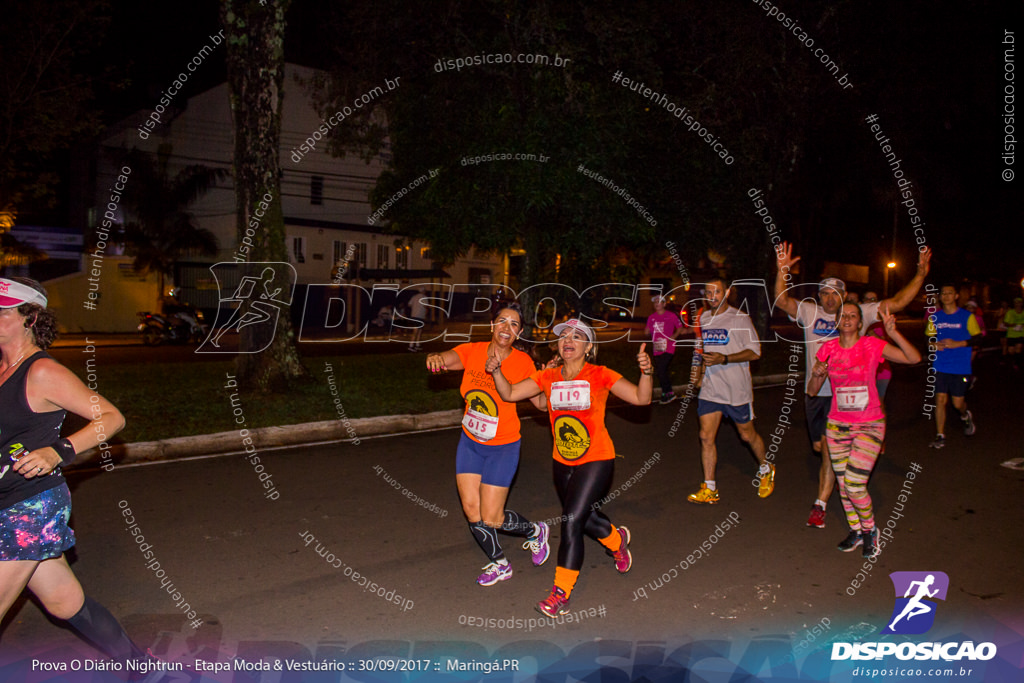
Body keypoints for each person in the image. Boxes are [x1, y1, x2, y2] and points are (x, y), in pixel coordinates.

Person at [0, 277, 147, 664]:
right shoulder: (2, 369)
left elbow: (112, 418)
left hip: (31, 507)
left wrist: (57, 450)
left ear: (30, 317)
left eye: (2, 311)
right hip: (7, 500)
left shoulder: (42, 372)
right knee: (65, 603)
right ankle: (141, 669)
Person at [487, 318, 652, 617]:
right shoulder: (548, 377)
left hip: (597, 459)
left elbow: (643, 398)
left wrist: (647, 372)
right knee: (584, 518)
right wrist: (496, 370)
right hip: (562, 462)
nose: (568, 340)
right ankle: (617, 541)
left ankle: (559, 594)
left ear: (588, 347)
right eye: (564, 336)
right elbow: (509, 394)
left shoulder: (600, 374)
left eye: (577, 337)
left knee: (571, 522)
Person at [774, 242, 931, 528]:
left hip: (844, 396)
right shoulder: (810, 312)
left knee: (825, 450)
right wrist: (782, 271)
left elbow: (896, 303)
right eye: (823, 292)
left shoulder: (857, 313)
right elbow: (782, 301)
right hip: (816, 389)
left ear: (844, 296)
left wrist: (920, 275)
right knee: (821, 447)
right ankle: (845, 480)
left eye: (834, 293)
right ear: (818, 295)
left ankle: (821, 503)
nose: (829, 298)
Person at [425, 303, 550, 586]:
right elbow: (446, 358)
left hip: (503, 447)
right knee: (472, 509)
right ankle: (500, 564)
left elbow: (541, 405)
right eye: (502, 321)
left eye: (514, 324)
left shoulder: (522, 363)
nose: (507, 328)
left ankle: (534, 531)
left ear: (518, 334)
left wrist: (549, 381)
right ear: (493, 325)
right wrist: (435, 356)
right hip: (470, 442)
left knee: (492, 518)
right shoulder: (473, 351)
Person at [808, 303, 922, 558]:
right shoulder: (827, 349)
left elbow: (913, 358)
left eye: (852, 316)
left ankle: (870, 530)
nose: (847, 319)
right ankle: (856, 531)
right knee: (842, 483)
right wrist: (817, 374)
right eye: (842, 316)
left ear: (860, 323)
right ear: (837, 322)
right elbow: (812, 390)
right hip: (837, 424)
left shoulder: (872, 345)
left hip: (869, 423)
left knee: (854, 483)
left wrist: (893, 334)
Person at [688, 277, 774, 504]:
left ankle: (766, 467)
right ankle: (710, 488)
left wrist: (724, 358)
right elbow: (703, 351)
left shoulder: (740, 319)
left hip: (736, 390)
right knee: (706, 436)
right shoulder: (705, 318)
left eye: (716, 292)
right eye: (708, 292)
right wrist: (698, 376)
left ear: (727, 293)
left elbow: (755, 352)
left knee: (747, 434)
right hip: (711, 388)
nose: (711, 297)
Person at [927, 285, 981, 449]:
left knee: (957, 403)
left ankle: (965, 415)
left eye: (950, 293)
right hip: (941, 364)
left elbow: (978, 339)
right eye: (943, 293)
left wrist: (959, 343)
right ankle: (940, 435)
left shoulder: (967, 317)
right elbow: (927, 340)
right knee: (940, 400)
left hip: (961, 366)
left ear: (956, 296)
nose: (946, 296)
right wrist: (933, 344)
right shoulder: (934, 318)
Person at [645, 295, 684, 404]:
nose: (657, 304)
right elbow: (647, 330)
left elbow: (680, 328)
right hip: (657, 348)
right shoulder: (651, 317)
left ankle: (667, 393)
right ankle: (668, 393)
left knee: (661, 370)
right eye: (655, 302)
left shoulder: (671, 316)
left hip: (668, 347)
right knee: (661, 371)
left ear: (664, 304)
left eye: (659, 302)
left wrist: (674, 336)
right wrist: (647, 331)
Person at [1004, 297, 1024, 371]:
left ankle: (1017, 363)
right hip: (1011, 334)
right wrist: (1012, 325)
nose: (1018, 304)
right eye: (1016, 303)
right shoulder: (1010, 312)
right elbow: (1005, 322)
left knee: (1019, 348)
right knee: (1011, 350)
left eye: (1019, 302)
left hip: (1021, 333)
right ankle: (1012, 361)